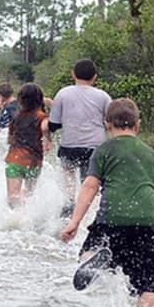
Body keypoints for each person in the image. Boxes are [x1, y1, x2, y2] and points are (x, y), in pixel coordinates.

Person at [60, 98, 154, 307]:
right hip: (146, 227)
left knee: (88, 253)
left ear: (107, 124)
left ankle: (96, 259)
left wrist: (74, 222)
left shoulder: (103, 151)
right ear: (137, 124)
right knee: (147, 286)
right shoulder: (153, 155)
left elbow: (90, 186)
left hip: (111, 222)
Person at [49, 58, 111, 216]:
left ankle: (69, 205)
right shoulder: (103, 96)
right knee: (90, 182)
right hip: (95, 147)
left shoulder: (63, 93)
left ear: (73, 74)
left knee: (69, 178)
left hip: (69, 145)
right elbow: (111, 122)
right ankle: (90, 212)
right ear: (94, 77)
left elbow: (54, 124)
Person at [5, 83, 52, 207]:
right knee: (30, 196)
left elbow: (9, 140)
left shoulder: (16, 117)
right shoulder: (41, 116)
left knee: (12, 198)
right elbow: (45, 127)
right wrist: (48, 140)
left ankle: (16, 205)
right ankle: (25, 196)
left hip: (15, 160)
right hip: (34, 162)